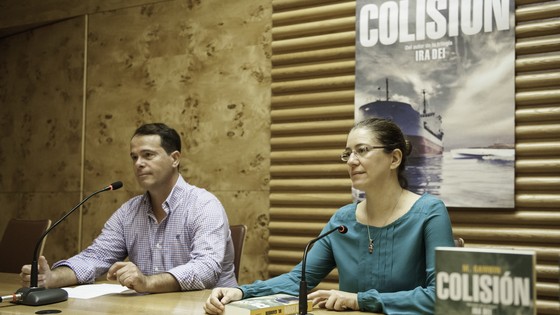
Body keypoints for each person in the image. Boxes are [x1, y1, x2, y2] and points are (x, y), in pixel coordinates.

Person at [204, 117, 455, 314]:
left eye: (362, 150)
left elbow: (441, 296)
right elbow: (297, 280)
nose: (351, 161)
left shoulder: (429, 212)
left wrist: (359, 300)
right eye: (348, 154)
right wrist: (241, 292)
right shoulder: (343, 220)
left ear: (395, 158)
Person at [20, 123, 237, 293]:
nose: (138, 163)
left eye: (148, 155)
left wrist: (147, 282)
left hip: (207, 308)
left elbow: (206, 270)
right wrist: (52, 278)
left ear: (175, 159)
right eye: (134, 157)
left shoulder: (204, 205)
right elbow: (96, 257)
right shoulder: (129, 212)